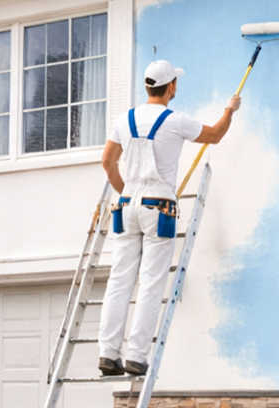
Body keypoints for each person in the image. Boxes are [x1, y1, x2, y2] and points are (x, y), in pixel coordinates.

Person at [97, 59, 241, 376]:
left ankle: (108, 352)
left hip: (126, 205)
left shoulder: (124, 120)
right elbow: (215, 135)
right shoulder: (176, 121)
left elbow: (108, 162)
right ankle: (135, 355)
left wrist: (127, 193)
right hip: (158, 205)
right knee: (150, 281)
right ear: (171, 86)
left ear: (148, 86)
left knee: (119, 280)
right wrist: (230, 109)